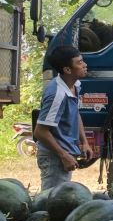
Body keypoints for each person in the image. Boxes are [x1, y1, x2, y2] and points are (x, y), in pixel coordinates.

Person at [34, 46, 94, 190]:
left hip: (63, 154)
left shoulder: (74, 85)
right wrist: (63, 155)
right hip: (53, 157)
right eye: (79, 63)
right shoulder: (57, 94)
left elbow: (75, 113)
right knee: (50, 202)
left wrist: (84, 142)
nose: (85, 65)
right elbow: (40, 132)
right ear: (67, 70)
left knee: (59, 200)